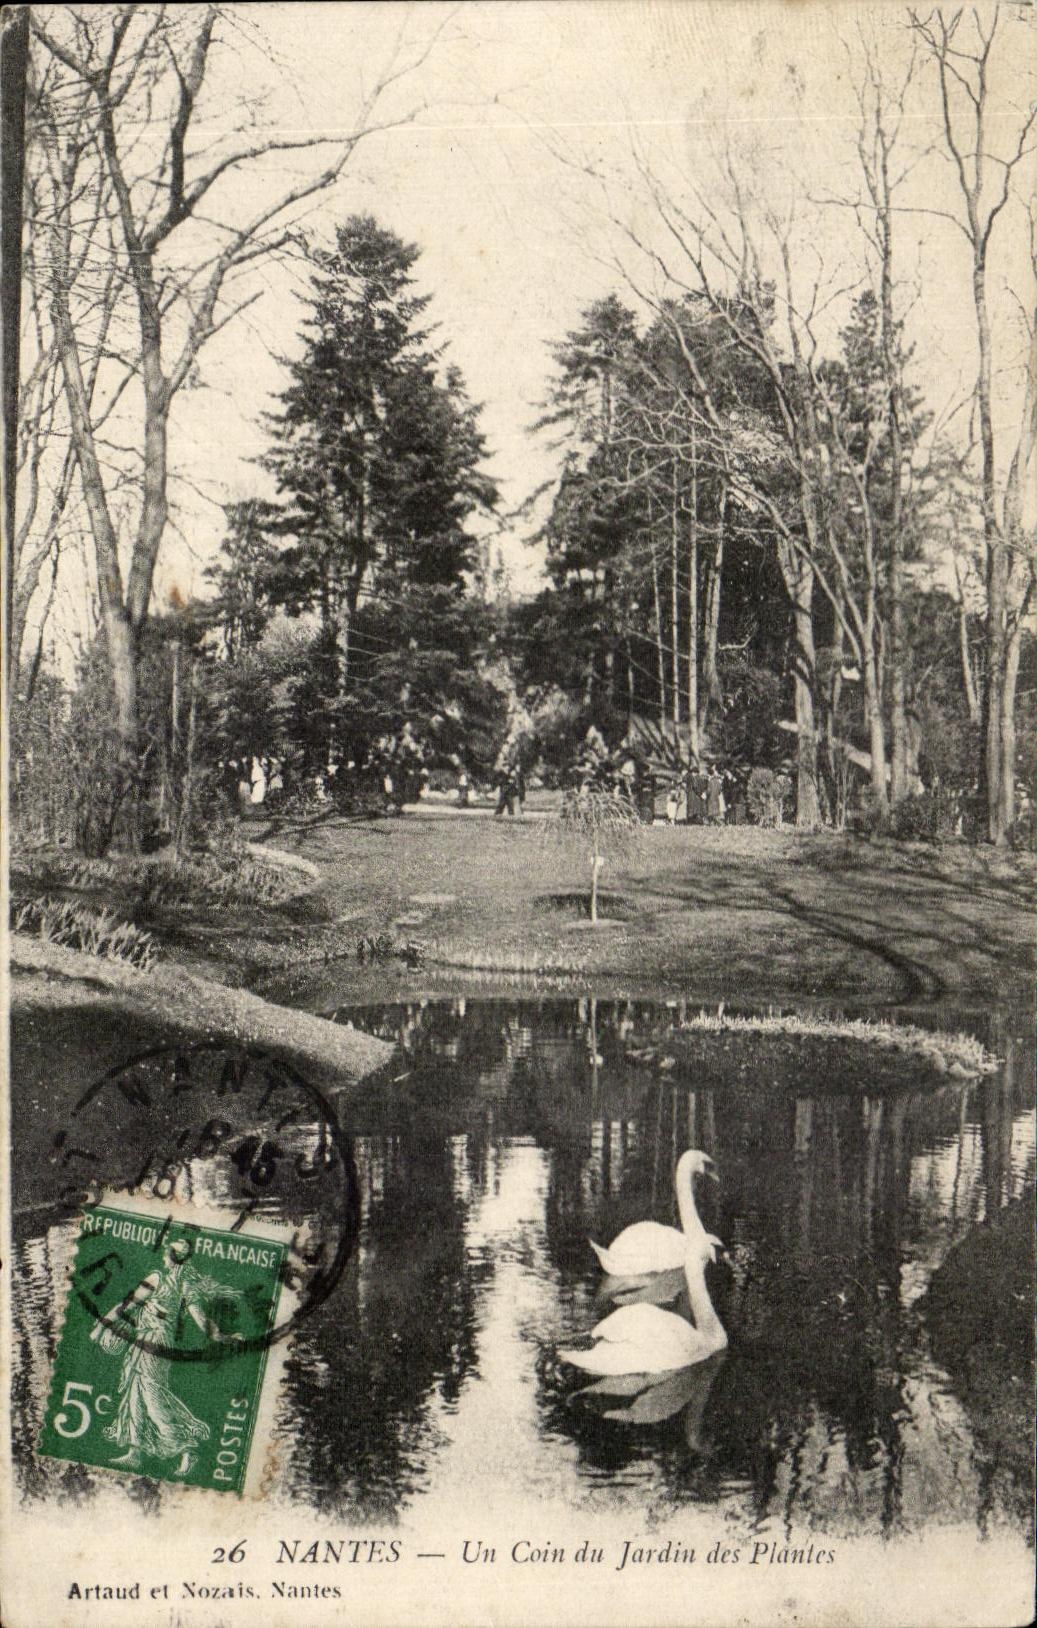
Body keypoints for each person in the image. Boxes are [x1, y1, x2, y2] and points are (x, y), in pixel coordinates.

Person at [90, 1238, 245, 1478]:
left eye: (166, 1253)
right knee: (136, 1394)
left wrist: (101, 1327)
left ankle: (187, 1448)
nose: (163, 1256)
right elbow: (202, 1322)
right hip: (153, 1342)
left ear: (173, 1257)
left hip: (154, 1343)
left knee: (152, 1397)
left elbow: (126, 1305)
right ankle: (135, 1452)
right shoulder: (185, 1285)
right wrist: (223, 1337)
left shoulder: (158, 1279)